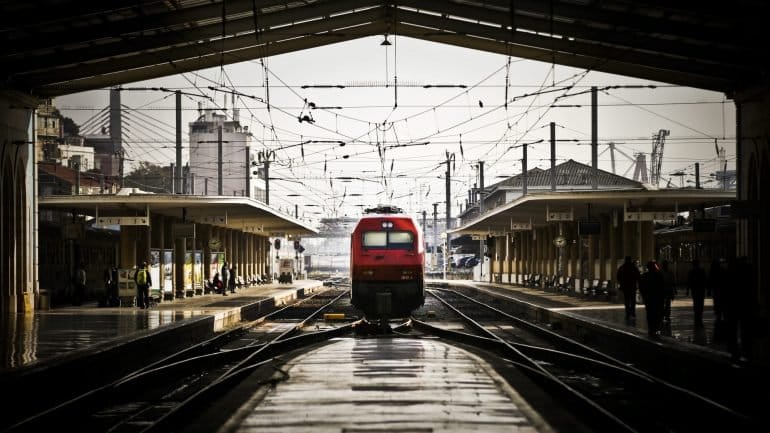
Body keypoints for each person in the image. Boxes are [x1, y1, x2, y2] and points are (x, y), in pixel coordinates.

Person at [639, 261, 665, 337]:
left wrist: (643, 295)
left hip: (648, 298)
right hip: (657, 297)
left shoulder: (644, 276)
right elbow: (662, 286)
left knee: (650, 313)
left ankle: (651, 328)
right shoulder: (658, 275)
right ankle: (656, 327)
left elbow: (641, 287)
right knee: (657, 313)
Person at [616, 256, 640, 322]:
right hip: (632, 286)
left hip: (625, 286)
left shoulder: (622, 268)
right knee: (633, 300)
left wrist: (621, 283)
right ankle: (633, 313)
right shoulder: (634, 267)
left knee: (627, 300)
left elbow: (618, 276)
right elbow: (638, 276)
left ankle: (627, 313)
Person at [687, 259, 708, 326]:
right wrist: (707, 289)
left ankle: (697, 315)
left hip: (695, 289)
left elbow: (689, 281)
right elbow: (705, 280)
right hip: (701, 289)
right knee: (700, 303)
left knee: (696, 303)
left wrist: (687, 290)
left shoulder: (691, 271)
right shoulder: (702, 271)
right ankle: (699, 315)